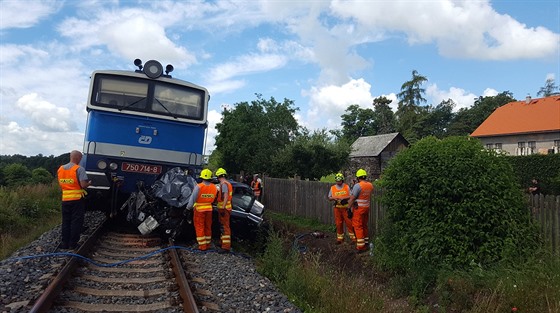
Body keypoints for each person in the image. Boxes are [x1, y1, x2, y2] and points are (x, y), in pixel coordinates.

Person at [57, 150, 91, 250]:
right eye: (80, 158)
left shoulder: (61, 169)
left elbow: (62, 184)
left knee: (66, 221)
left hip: (65, 199)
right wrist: (89, 183)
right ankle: (73, 244)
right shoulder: (79, 169)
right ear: (78, 158)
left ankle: (64, 243)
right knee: (76, 222)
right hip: (76, 199)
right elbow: (83, 185)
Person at [186, 169, 217, 251]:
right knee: (208, 227)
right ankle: (208, 244)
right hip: (209, 210)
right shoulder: (214, 187)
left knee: (200, 227)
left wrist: (188, 208)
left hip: (199, 210)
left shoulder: (199, 186)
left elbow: (192, 199)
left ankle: (202, 246)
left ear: (202, 177)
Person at [347, 169, 374, 253]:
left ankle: (360, 246)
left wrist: (348, 208)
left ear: (358, 177)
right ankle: (365, 242)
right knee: (364, 225)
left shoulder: (358, 186)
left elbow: (352, 198)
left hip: (359, 209)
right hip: (366, 208)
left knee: (358, 226)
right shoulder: (370, 185)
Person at [328, 173, 356, 244]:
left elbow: (351, 196)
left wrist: (343, 198)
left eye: (339, 181)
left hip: (345, 208)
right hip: (337, 208)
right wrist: (334, 198)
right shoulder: (333, 188)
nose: (338, 182)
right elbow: (329, 197)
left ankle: (353, 239)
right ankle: (340, 239)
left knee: (349, 223)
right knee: (338, 224)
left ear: (342, 180)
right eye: (337, 181)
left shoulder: (346, 187)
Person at [216, 168, 232, 252]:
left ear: (219, 176)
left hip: (224, 209)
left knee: (225, 227)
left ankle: (225, 247)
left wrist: (223, 207)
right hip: (225, 208)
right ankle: (222, 242)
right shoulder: (227, 184)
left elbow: (225, 196)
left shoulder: (224, 184)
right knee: (222, 226)